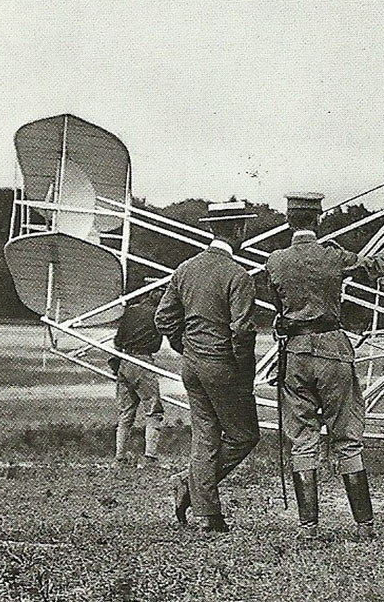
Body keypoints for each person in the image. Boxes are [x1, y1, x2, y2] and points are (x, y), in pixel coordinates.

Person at [265, 192, 384, 539]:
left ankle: (308, 527)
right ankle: (364, 525)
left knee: (302, 439)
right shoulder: (332, 257)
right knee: (347, 437)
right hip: (333, 351)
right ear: (318, 220)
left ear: (288, 220)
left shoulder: (275, 261)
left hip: (294, 354)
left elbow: (278, 311)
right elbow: (373, 267)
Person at [155, 201, 260, 533]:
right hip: (223, 367)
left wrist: (185, 345)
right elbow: (242, 332)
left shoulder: (185, 269)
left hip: (192, 366)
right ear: (240, 230)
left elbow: (163, 318)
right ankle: (190, 486)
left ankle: (205, 513)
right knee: (244, 435)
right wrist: (243, 372)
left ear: (212, 229)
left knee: (205, 435)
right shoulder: (237, 275)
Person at [111, 282, 166, 468]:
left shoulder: (131, 311)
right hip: (143, 362)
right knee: (153, 411)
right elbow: (156, 345)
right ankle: (150, 457)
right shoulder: (158, 315)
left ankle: (120, 457)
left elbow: (117, 340)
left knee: (126, 412)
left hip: (125, 360)